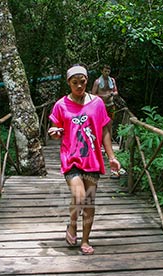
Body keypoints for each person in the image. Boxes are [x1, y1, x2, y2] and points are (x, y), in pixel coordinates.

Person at [48, 64, 121, 255]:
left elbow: (105, 130)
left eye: (82, 82)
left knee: (88, 202)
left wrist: (111, 157)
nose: (79, 86)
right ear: (68, 83)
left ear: (87, 81)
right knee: (79, 197)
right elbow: (54, 129)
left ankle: (85, 240)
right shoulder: (61, 105)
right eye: (75, 83)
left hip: (93, 158)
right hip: (71, 156)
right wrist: (55, 133)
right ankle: (72, 225)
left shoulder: (97, 103)